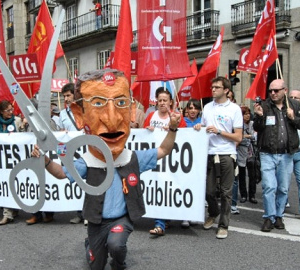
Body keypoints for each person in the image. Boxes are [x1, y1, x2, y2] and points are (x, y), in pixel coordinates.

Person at [32, 69, 180, 269]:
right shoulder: (87, 161)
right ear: (80, 115)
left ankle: (119, 263)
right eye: (98, 104)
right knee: (96, 265)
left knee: (116, 245)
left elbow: (163, 149)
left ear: (130, 110)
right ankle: (92, 247)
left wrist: (172, 128)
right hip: (97, 221)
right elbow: (60, 173)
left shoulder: (132, 158)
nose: (112, 120)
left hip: (121, 219)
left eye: (120, 103)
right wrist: (45, 161)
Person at [193, 76, 243, 239]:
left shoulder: (234, 109)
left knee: (226, 192)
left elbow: (238, 137)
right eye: (212, 87)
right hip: (209, 153)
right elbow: (203, 128)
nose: (213, 89)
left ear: (226, 90)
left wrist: (220, 132)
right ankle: (213, 212)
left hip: (227, 154)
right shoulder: (207, 107)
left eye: (217, 87)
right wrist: (199, 127)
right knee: (209, 191)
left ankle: (223, 225)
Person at [253, 79, 300, 232]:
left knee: (283, 188)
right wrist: (259, 116)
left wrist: (293, 118)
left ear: (284, 91)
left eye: (276, 90)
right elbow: (257, 128)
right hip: (267, 153)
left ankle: (279, 216)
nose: (272, 93)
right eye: (271, 91)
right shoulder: (265, 106)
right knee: (269, 187)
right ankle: (269, 216)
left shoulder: (294, 105)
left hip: (286, 154)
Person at [143, 89, 186, 235]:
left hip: (172, 160)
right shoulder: (150, 116)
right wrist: (147, 130)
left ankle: (169, 217)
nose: (162, 103)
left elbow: (186, 136)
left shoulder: (177, 116)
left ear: (171, 102)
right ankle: (160, 222)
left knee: (169, 188)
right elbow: (143, 137)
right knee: (157, 188)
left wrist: (173, 129)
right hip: (155, 158)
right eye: (159, 100)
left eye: (165, 100)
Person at [0, 100, 23, 225]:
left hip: (15, 157)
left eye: (11, 109)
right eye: (8, 110)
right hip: (1, 158)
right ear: (1, 112)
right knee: (5, 184)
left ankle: (14, 208)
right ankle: (7, 213)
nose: (11, 112)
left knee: (15, 183)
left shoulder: (17, 121)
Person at [58, 83, 86, 224]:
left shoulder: (84, 110)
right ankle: (78, 212)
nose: (66, 99)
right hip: (72, 152)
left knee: (87, 181)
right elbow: (59, 135)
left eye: (68, 95)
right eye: (64, 96)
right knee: (75, 181)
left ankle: (87, 213)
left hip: (85, 150)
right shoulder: (62, 114)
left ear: (75, 95)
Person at [237, 106, 257, 204]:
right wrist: (247, 137)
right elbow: (238, 138)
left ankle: (252, 195)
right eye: (245, 114)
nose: (247, 116)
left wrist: (246, 137)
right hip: (241, 152)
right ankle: (243, 195)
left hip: (251, 152)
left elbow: (255, 137)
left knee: (252, 175)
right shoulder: (238, 125)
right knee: (242, 175)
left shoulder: (253, 124)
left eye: (248, 113)